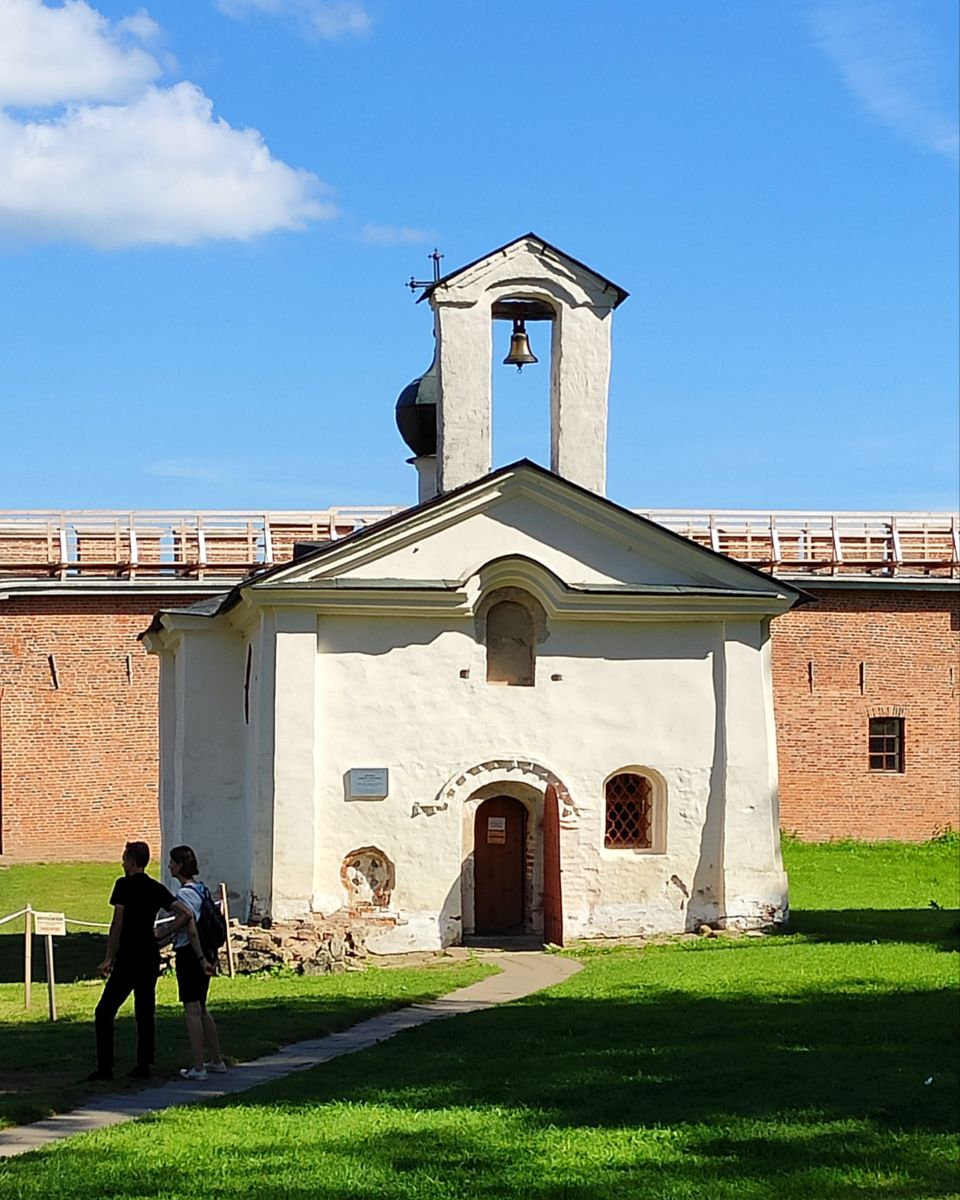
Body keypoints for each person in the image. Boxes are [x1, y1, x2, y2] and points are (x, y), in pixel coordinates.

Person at [88, 840, 196, 1082]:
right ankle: (144, 1064)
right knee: (144, 1010)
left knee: (105, 1011)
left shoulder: (123, 885)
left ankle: (105, 1067)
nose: (122, 863)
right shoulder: (155, 888)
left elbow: (118, 922)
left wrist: (108, 957)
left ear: (132, 862)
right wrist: (164, 932)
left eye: (125, 859)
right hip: (149, 954)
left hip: (128, 955)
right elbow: (185, 913)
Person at [162, 844, 226, 1081]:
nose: (169, 865)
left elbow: (189, 926)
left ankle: (198, 1067)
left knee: (191, 1009)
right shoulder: (202, 889)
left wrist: (164, 933)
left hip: (191, 954)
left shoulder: (185, 895)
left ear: (179, 865)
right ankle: (216, 1060)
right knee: (201, 1007)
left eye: (172, 862)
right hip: (207, 952)